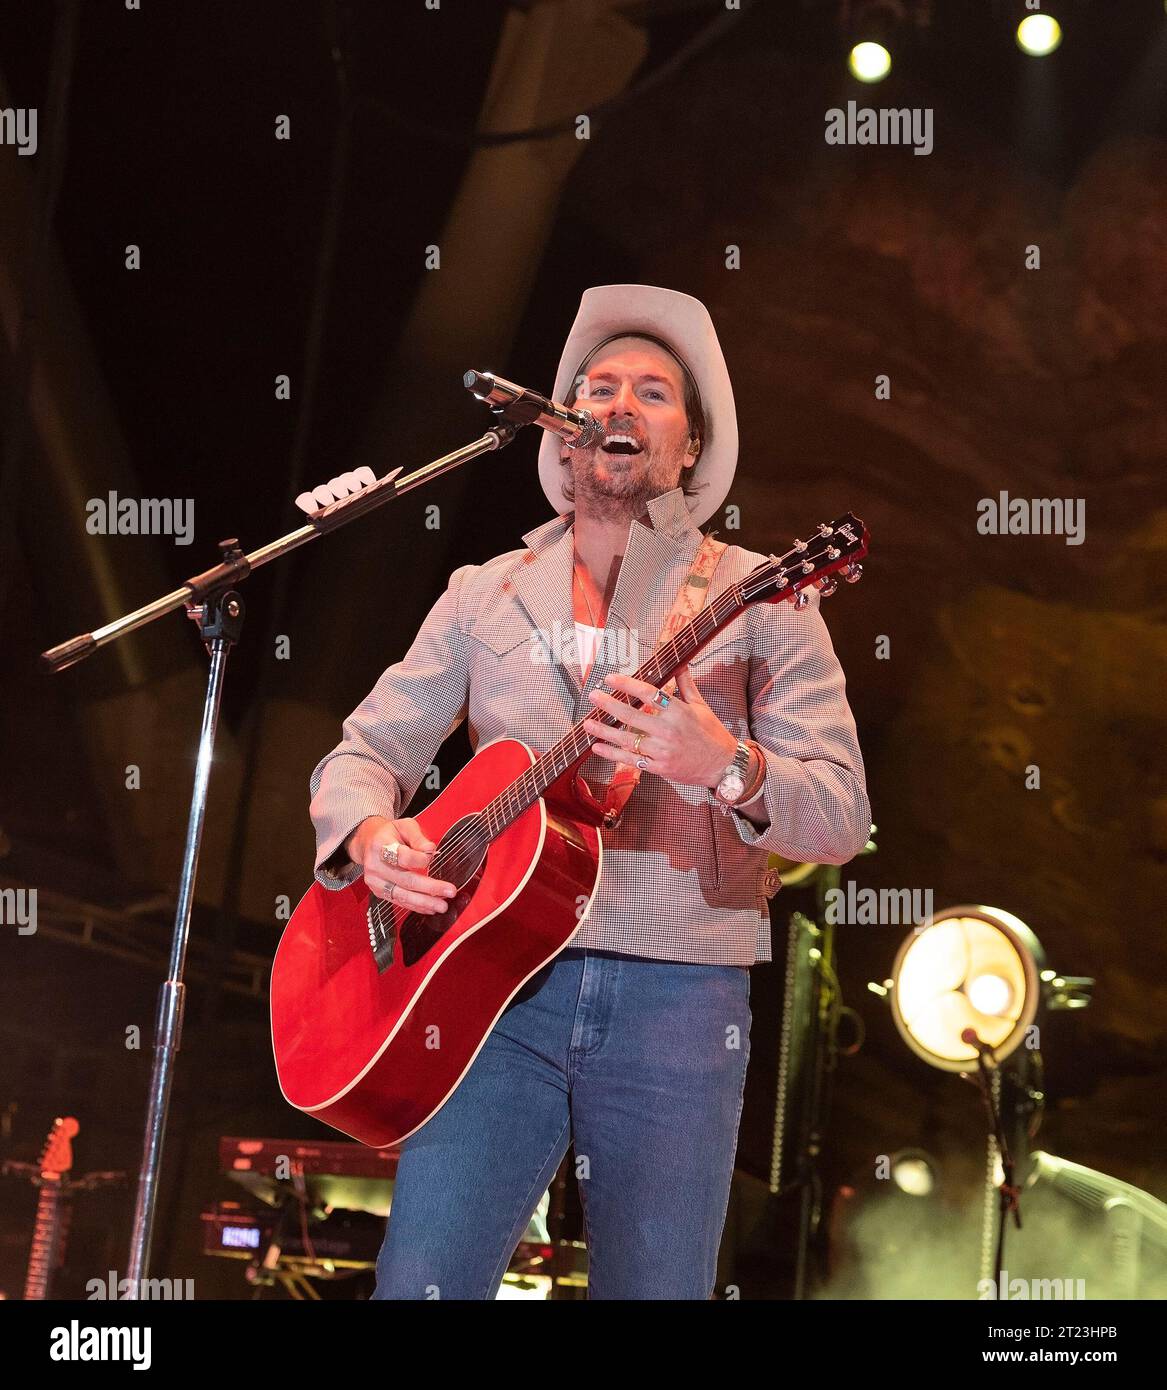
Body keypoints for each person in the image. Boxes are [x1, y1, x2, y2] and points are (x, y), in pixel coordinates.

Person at [308, 284, 871, 1299]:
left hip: (681, 996)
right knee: (420, 1282)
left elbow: (839, 812)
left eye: (654, 392)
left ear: (690, 444)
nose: (619, 403)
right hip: (487, 991)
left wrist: (725, 765)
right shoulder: (484, 589)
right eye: (597, 388)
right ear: (561, 436)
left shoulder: (763, 593)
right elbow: (362, 751)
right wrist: (372, 831)